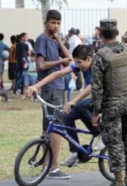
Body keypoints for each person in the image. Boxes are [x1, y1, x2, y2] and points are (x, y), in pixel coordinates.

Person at [26, 44, 104, 167]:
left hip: (109, 98)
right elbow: (59, 73)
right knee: (67, 116)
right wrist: (37, 86)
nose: (77, 66)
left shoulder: (98, 64)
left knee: (79, 106)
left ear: (88, 59)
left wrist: (73, 101)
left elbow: (93, 86)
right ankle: (75, 151)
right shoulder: (82, 64)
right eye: (76, 63)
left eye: (79, 62)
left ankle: (100, 134)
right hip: (97, 98)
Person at [91, 19, 127, 186]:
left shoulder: (100, 57)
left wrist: (95, 112)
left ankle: (119, 182)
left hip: (112, 107)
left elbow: (97, 88)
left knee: (115, 144)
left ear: (101, 34)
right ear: (117, 33)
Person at [33, 9, 72, 179]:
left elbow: (69, 58)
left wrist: (58, 39)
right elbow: (41, 66)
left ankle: (46, 163)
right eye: (53, 23)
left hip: (56, 87)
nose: (56, 26)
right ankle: (54, 167)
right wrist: (60, 62)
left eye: (58, 23)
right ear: (46, 23)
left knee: (48, 127)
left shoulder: (54, 40)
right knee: (56, 127)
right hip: (52, 88)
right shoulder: (42, 39)